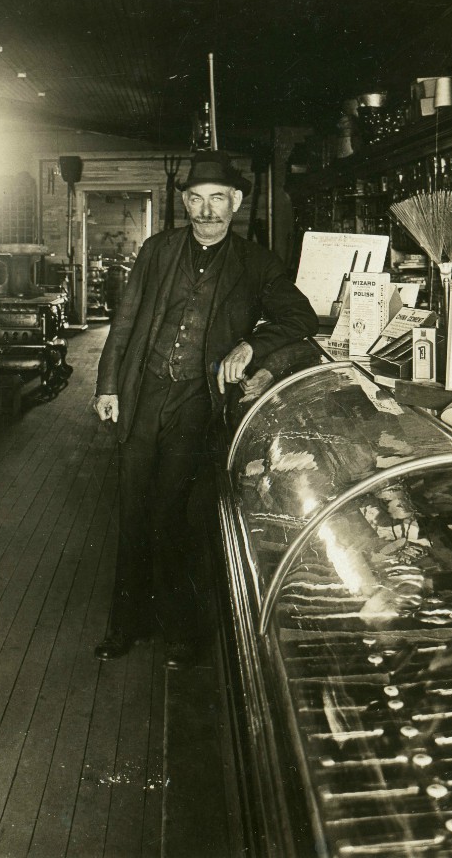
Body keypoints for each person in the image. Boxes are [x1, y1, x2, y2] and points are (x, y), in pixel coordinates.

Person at [91, 151, 319, 667]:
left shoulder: (256, 262)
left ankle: (181, 632)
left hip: (198, 401)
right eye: (196, 198)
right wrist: (108, 385)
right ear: (186, 203)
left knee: (175, 513)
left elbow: (300, 317)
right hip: (144, 391)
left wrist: (252, 347)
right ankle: (124, 625)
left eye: (217, 198)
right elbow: (124, 323)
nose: (206, 209)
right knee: (131, 508)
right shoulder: (157, 250)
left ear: (235, 202)